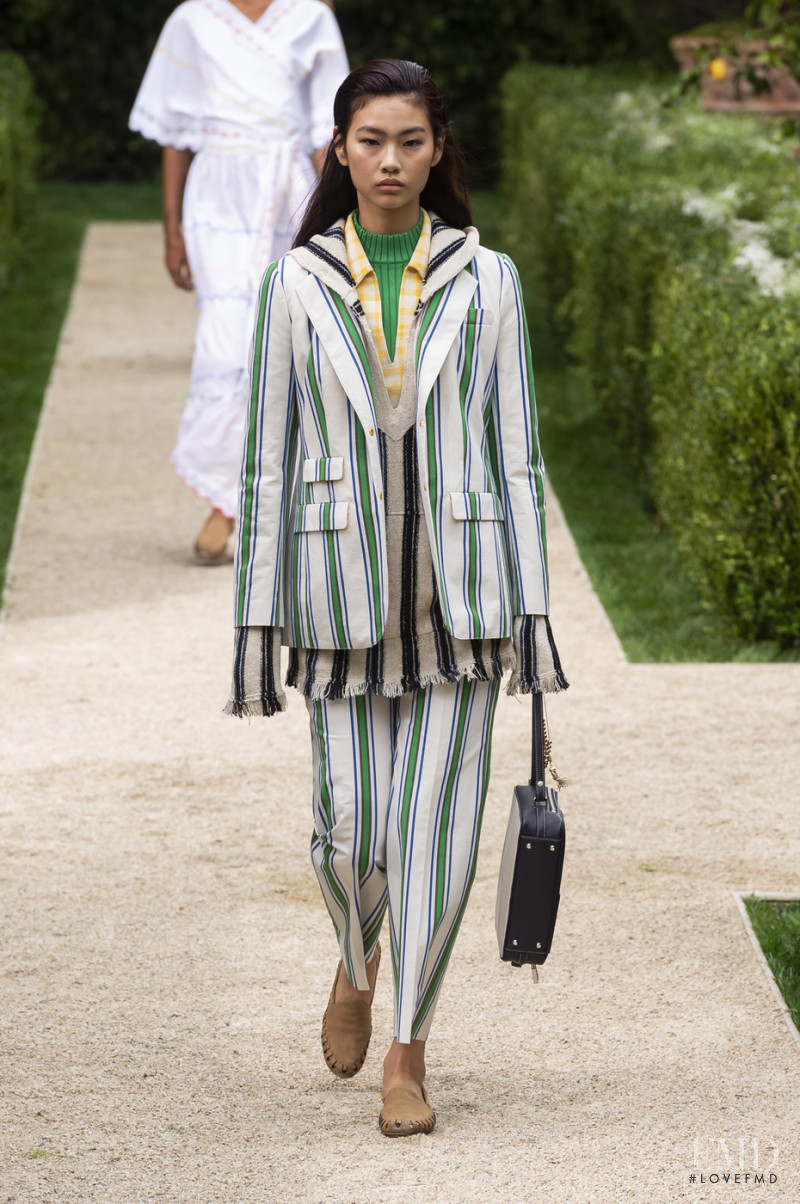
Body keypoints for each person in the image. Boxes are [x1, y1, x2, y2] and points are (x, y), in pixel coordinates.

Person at [226, 59, 568, 1136]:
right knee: (345, 832)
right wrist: (254, 625)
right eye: (368, 140)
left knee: (433, 836)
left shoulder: (488, 277)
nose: (387, 161)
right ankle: (350, 960)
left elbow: (517, 454)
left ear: (436, 151)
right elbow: (265, 463)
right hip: (336, 603)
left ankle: (408, 1052)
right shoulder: (296, 283)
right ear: (338, 150)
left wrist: (534, 617)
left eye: (408, 141)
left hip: (459, 603)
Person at [129, 0, 348, 563]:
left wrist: (337, 220)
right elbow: (175, 136)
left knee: (286, 342)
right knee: (225, 341)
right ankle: (224, 502)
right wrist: (172, 229)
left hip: (288, 193)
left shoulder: (311, 18)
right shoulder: (191, 19)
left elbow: (331, 133)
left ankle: (285, 503)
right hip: (217, 195)